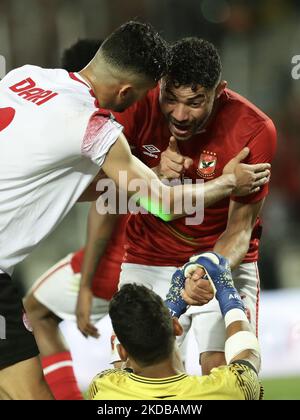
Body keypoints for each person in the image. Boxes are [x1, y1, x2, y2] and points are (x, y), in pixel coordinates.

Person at [0, 21, 268, 400]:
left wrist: (149, 174)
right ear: (129, 91)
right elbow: (162, 203)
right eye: (154, 95)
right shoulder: (94, 125)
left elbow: (65, 186)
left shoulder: (24, 77)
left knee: (20, 387)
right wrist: (228, 183)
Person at [111, 37, 277, 375]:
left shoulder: (254, 130)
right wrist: (153, 175)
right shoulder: (136, 108)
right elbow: (101, 193)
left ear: (219, 92)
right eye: (170, 99)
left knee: (223, 373)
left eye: (195, 102)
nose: (180, 114)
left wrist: (207, 271)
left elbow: (240, 229)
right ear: (159, 85)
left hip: (220, 260)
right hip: (149, 257)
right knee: (136, 380)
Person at [23, 39, 127, 400]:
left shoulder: (98, 121)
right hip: (168, 257)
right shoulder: (135, 112)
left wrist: (85, 286)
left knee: (35, 313)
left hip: (121, 262)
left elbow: (109, 197)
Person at [89, 252, 263, 400]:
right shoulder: (227, 391)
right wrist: (228, 295)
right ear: (176, 327)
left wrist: (172, 307)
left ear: (122, 352)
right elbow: (249, 357)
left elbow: (123, 371)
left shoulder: (102, 389)